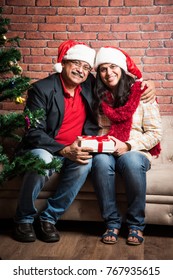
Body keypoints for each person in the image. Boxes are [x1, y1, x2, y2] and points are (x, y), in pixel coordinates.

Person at [13, 40, 156, 243]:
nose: (81, 70)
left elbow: (121, 79)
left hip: (76, 148)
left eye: (86, 67)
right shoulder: (40, 90)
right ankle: (24, 219)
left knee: (86, 161)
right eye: (76, 64)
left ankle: (48, 218)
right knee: (43, 159)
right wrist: (63, 150)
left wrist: (149, 84)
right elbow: (32, 131)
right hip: (45, 148)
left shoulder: (89, 84)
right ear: (63, 63)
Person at [91, 46, 162, 245]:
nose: (108, 73)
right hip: (107, 149)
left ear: (122, 69)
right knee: (101, 162)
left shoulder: (141, 92)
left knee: (131, 161)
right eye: (103, 69)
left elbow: (155, 133)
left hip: (134, 150)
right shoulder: (98, 94)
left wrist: (128, 145)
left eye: (113, 67)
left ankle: (135, 225)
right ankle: (112, 222)